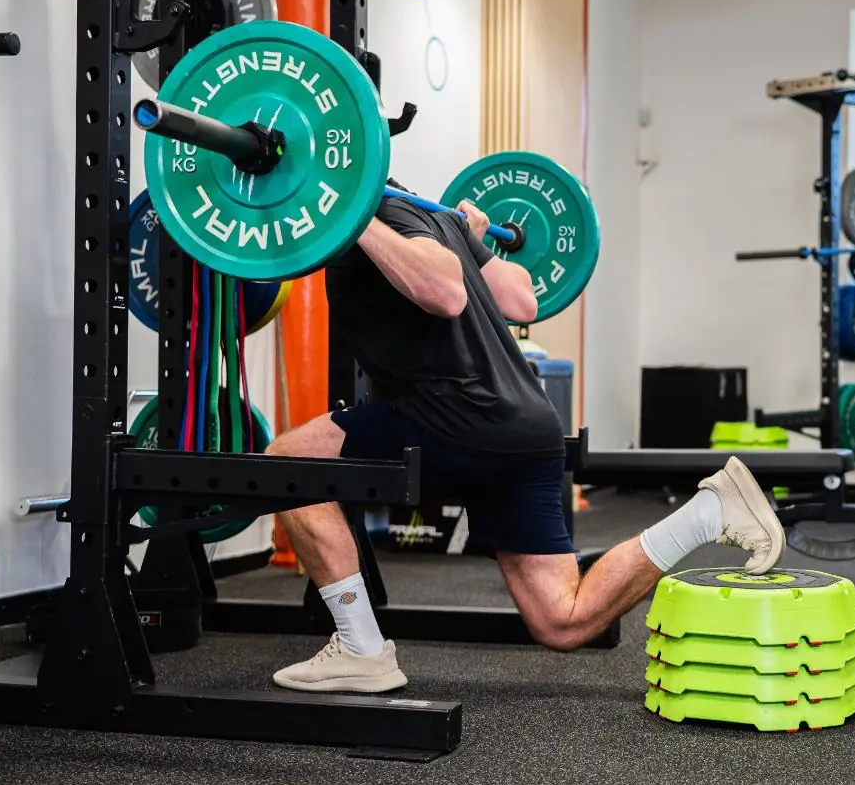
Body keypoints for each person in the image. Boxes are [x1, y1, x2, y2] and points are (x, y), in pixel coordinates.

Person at [264, 185, 786, 692]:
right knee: (563, 621)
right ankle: (708, 513)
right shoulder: (440, 219)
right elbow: (522, 298)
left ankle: (360, 647)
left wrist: (353, 217)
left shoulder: (379, 211)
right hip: (524, 423)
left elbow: (446, 293)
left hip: (452, 414)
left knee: (290, 461)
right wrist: (472, 241)